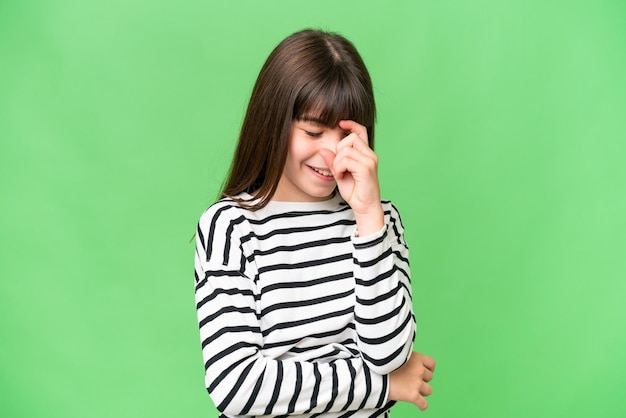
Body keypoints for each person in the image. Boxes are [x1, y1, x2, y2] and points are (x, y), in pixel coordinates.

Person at [194, 29, 435, 418]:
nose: (331, 152)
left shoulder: (379, 220)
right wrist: (385, 386)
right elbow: (236, 386)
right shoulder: (232, 227)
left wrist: (369, 218)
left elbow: (389, 352)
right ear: (273, 122)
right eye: (312, 131)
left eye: (345, 135)